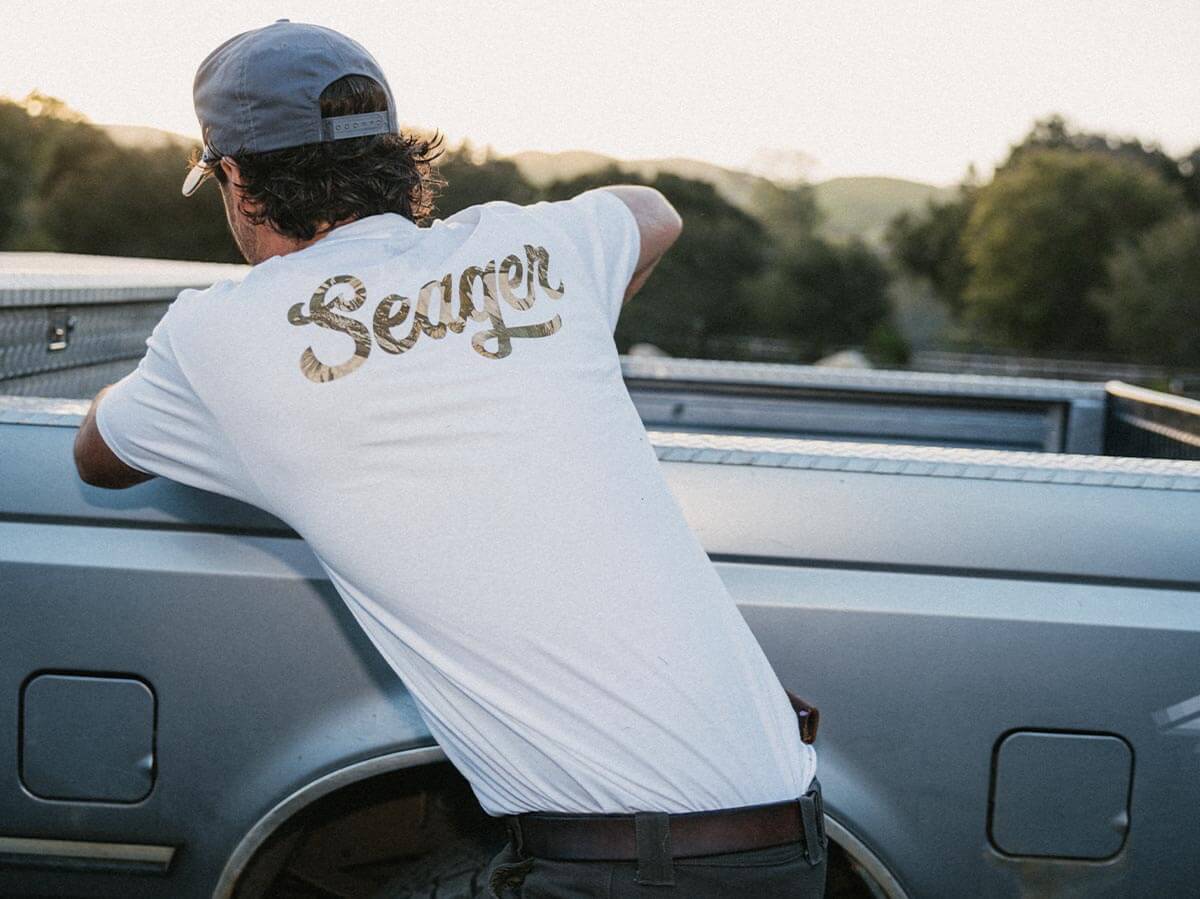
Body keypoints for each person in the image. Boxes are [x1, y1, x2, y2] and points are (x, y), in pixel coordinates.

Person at [72, 19, 827, 898]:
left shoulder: (216, 336)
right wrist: (571, 308)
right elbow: (653, 213)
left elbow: (97, 453)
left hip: (615, 869)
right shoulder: (529, 248)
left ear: (236, 179)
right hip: (789, 841)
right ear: (394, 157)